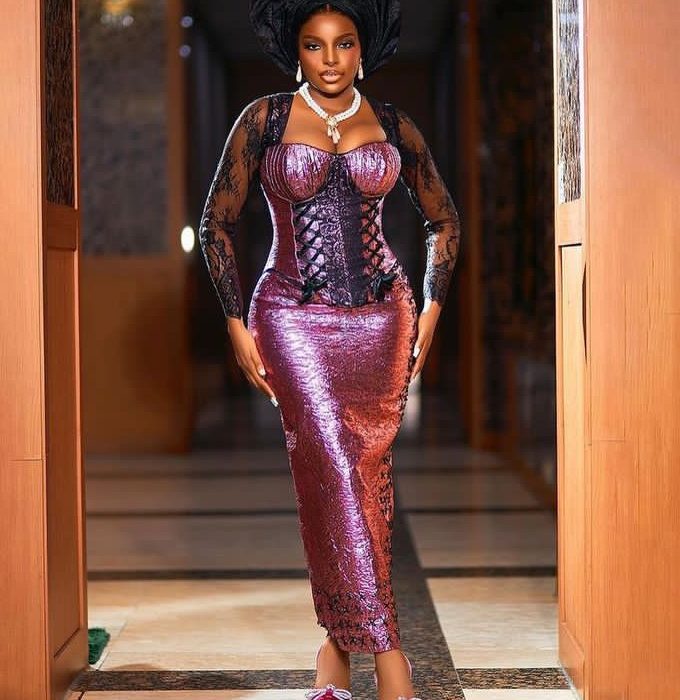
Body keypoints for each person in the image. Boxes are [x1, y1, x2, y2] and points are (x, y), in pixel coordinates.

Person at [198, 2, 461, 698]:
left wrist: (431, 308)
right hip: (292, 316)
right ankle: (391, 653)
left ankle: (334, 654)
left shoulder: (394, 124)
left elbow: (443, 220)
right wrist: (235, 323)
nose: (331, 59)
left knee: (364, 475)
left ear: (362, 49)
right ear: (297, 52)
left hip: (384, 316)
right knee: (334, 466)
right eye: (315, 46)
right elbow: (216, 222)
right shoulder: (265, 120)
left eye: (344, 44)